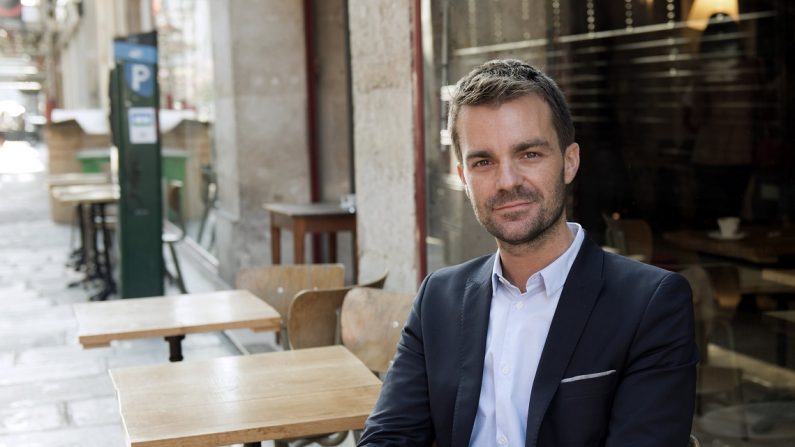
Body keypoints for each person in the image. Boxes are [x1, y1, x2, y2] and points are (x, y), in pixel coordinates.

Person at [359, 59, 698, 447]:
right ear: (464, 176)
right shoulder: (438, 297)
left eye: (529, 154)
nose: (507, 182)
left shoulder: (650, 304)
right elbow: (388, 438)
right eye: (483, 162)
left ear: (569, 162)